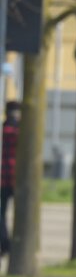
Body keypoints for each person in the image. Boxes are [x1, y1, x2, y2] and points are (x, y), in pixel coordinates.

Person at [0, 101, 19, 260]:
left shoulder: (3, 130)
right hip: (18, 178)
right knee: (21, 212)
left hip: (3, 177)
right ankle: (18, 243)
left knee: (1, 213)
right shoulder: (21, 131)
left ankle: (5, 244)